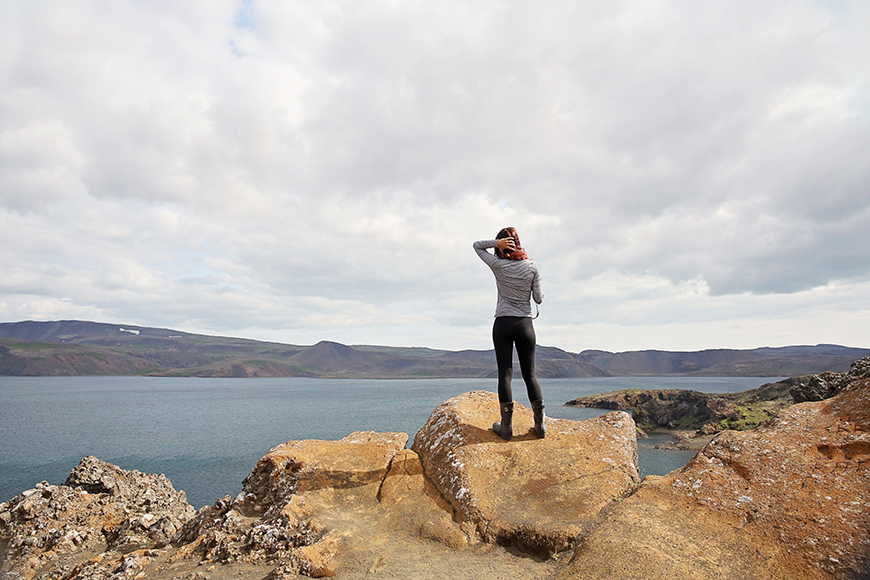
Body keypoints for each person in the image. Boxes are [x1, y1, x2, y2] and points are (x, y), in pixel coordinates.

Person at [473, 227, 545, 440]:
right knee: (530, 374)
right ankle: (540, 426)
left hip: (503, 324)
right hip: (525, 324)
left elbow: (476, 246)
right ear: (518, 242)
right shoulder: (531, 266)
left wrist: (497, 245)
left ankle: (506, 428)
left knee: (505, 373)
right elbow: (539, 298)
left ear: (503, 244)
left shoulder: (498, 265)